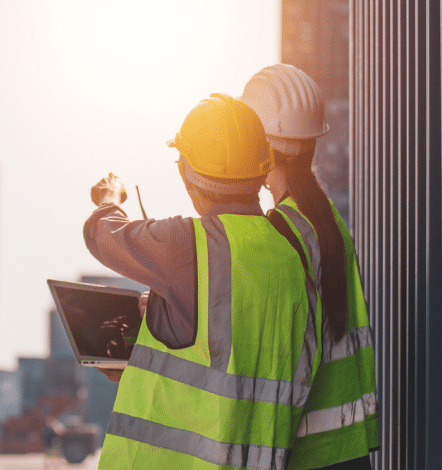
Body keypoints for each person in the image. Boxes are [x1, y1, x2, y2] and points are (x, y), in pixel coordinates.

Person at [84, 93, 322, 469]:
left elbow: (102, 234)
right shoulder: (290, 257)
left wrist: (109, 198)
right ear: (262, 169)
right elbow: (232, 368)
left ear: (186, 173)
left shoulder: (188, 245)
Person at [241, 64, 378, 470]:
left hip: (306, 452)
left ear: (261, 148)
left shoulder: (284, 230)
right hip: (348, 446)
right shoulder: (329, 221)